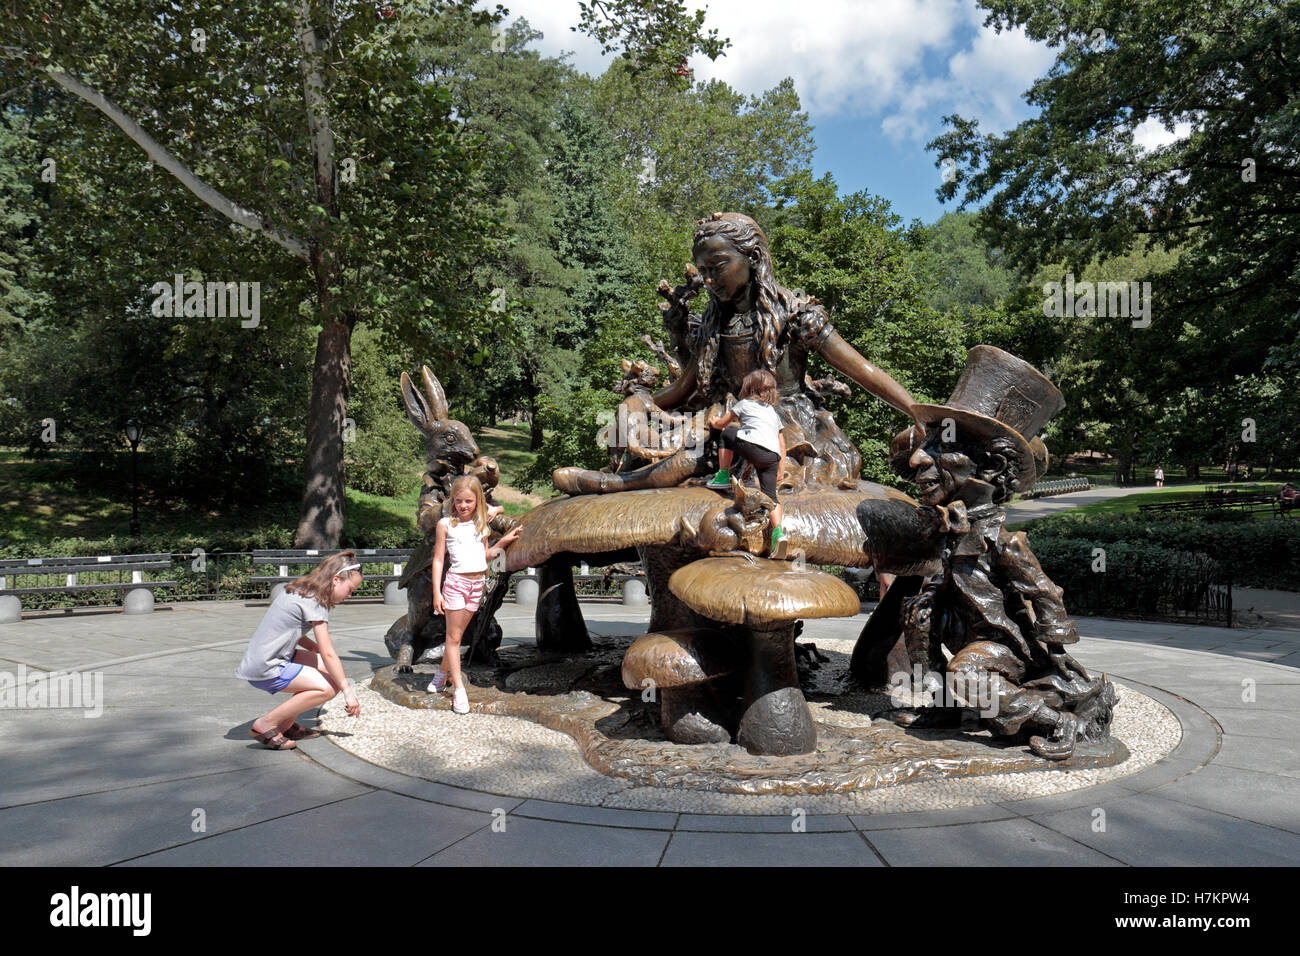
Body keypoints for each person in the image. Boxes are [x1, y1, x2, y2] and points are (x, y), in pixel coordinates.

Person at [236, 551, 363, 750]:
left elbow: (287, 627)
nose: (350, 595)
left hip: (261, 657)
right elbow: (329, 652)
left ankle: (286, 725)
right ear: (336, 579)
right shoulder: (316, 602)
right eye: (350, 589)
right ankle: (266, 724)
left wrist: (312, 647)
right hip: (266, 665)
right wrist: (348, 692)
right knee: (328, 688)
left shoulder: (300, 590)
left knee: (331, 674)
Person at [425, 475, 520, 712]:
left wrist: (504, 542)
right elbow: (438, 560)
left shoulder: (481, 525)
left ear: (477, 501)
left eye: (469, 501)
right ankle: (459, 690)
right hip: (456, 584)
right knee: (454, 638)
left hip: (476, 585)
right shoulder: (446, 524)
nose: (463, 506)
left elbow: (485, 556)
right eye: (459, 501)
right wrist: (436, 592)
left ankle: (440, 674)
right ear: (453, 501)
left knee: (456, 636)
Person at [707, 369, 790, 556]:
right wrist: (780, 469)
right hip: (771, 457)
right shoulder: (772, 412)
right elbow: (782, 443)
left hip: (753, 448)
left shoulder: (743, 404)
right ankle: (779, 534)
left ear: (748, 388)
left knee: (727, 434)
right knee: (771, 497)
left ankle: (722, 475)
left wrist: (714, 421)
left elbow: (722, 423)